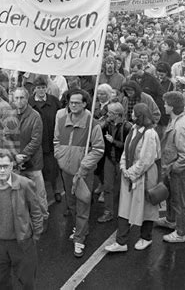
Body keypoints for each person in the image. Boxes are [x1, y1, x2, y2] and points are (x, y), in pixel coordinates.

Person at [0, 148, 42, 290]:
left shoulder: (25, 184)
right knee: (0, 283)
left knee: (27, 282)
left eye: (5, 166)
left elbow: (36, 211)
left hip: (21, 243)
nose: (2, 171)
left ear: (12, 166)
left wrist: (35, 235)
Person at [53, 89, 105, 258]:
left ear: (84, 104)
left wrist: (83, 167)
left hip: (83, 174)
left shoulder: (93, 124)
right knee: (72, 203)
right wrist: (61, 159)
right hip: (67, 172)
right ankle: (81, 228)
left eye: (77, 102)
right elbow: (56, 141)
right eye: (71, 102)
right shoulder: (61, 121)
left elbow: (98, 149)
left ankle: (79, 238)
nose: (73, 105)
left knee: (83, 205)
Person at [105, 103, 161, 252]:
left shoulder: (150, 134)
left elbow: (146, 160)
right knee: (124, 207)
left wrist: (131, 173)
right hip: (131, 173)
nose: (132, 116)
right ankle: (121, 241)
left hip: (145, 175)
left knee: (146, 207)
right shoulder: (134, 129)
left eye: (135, 114)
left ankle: (146, 237)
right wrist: (124, 168)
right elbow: (126, 150)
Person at [156, 91, 185, 243]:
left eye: (166, 104)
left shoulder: (180, 126)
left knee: (179, 201)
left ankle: (180, 233)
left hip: (177, 170)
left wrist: (174, 167)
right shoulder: (177, 120)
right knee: (171, 197)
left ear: (171, 107)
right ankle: (170, 220)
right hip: (171, 168)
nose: (164, 106)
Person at [12, 87, 49, 229]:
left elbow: (36, 140)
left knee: (38, 194)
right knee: (19, 194)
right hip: (16, 162)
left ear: (27, 99)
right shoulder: (10, 115)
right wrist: (15, 155)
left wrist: (23, 156)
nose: (19, 101)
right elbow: (6, 136)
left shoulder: (35, 116)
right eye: (16, 98)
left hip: (33, 163)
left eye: (21, 98)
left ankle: (43, 218)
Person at [29, 75, 62, 203]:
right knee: (37, 171)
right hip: (36, 141)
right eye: (38, 88)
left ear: (46, 88)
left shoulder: (54, 101)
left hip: (51, 140)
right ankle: (37, 195)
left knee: (52, 169)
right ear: (34, 89)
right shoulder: (30, 103)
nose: (41, 90)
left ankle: (56, 190)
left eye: (43, 87)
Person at [97, 102, 132, 224]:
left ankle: (125, 213)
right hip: (109, 159)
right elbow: (97, 130)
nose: (107, 114)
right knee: (108, 187)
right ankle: (108, 212)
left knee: (124, 188)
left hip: (121, 160)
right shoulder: (107, 124)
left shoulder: (128, 127)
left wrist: (114, 141)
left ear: (117, 114)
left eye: (110, 113)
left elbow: (128, 147)